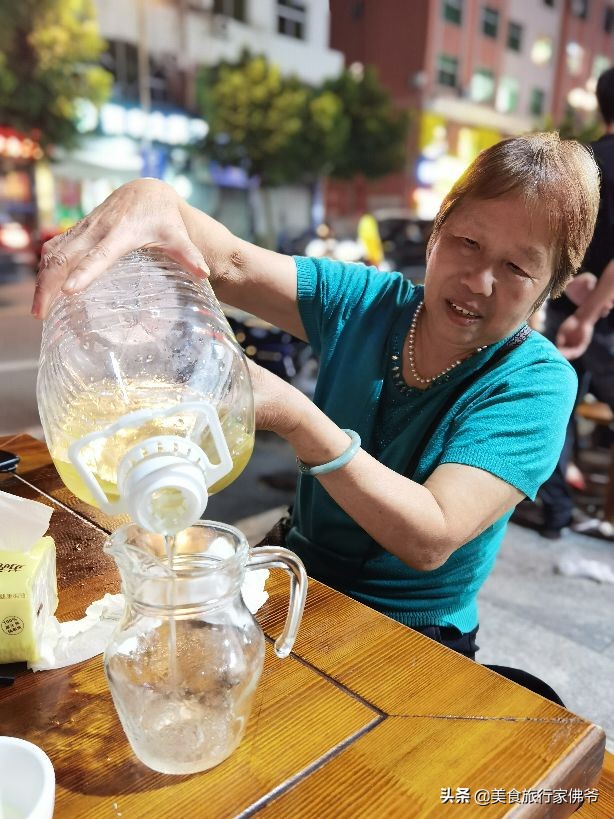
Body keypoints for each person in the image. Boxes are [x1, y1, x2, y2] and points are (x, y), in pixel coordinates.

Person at [32, 133, 599, 674]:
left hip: (410, 635)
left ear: (553, 285)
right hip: (289, 575)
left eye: (517, 268)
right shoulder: (370, 303)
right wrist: (151, 197)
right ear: (437, 231)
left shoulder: (535, 382)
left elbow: (431, 535)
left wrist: (297, 417)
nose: (478, 280)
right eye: (467, 242)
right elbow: (228, 264)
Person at [538, 67, 614, 540]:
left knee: (553, 412)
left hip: (567, 310)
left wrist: (569, 290)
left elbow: (546, 246)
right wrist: (591, 314)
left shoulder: (580, 162)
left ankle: (556, 514)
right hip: (601, 322)